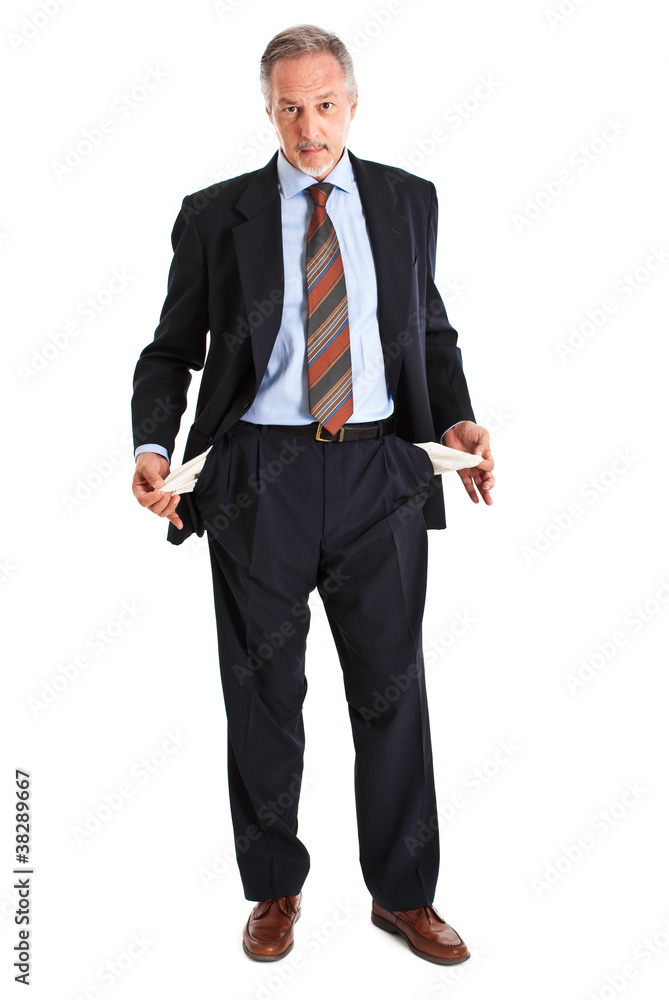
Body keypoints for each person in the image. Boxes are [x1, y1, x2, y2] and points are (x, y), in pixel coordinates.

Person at [131, 24, 494, 965]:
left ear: (353, 104)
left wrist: (457, 422)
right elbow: (169, 351)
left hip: (381, 470)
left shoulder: (407, 201)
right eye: (289, 108)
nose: (309, 127)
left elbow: (429, 331)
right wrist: (153, 446)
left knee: (392, 693)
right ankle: (273, 888)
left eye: (324, 104)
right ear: (268, 111)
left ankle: (403, 896)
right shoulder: (217, 215)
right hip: (259, 478)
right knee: (262, 695)